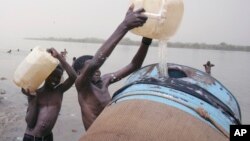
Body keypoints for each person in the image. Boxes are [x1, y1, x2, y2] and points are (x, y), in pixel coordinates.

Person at [73, 5, 151, 130]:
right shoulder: (82, 86)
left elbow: (134, 65)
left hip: (108, 132)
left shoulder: (106, 80)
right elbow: (95, 63)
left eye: (96, 69)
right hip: (94, 136)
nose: (96, 70)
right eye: (90, 70)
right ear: (79, 73)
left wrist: (146, 40)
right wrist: (124, 26)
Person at [21, 48, 76, 141]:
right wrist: (33, 100)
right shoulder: (35, 92)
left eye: (58, 77)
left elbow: (73, 77)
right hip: (32, 138)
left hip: (48, 137)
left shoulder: (59, 91)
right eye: (52, 75)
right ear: (45, 75)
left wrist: (59, 56)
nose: (55, 79)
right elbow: (30, 123)